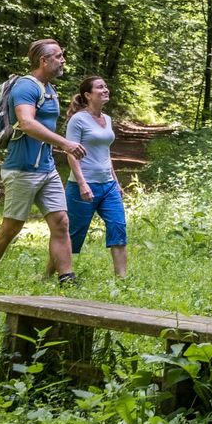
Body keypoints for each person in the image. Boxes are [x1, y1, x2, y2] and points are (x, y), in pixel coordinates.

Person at [0, 39, 87, 288]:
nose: (63, 60)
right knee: (12, 227)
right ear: (43, 61)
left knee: (61, 222)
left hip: (46, 168)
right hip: (22, 167)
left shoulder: (49, 89)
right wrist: (64, 144)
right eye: (58, 56)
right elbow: (26, 122)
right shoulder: (26, 87)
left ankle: (66, 279)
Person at [61, 75, 129, 277]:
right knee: (71, 233)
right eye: (100, 87)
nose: (106, 89)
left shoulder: (107, 119)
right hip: (82, 186)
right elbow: (71, 153)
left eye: (106, 86)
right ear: (88, 95)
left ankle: (122, 279)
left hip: (108, 185)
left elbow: (105, 153)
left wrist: (116, 182)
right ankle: (52, 272)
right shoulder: (78, 119)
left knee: (118, 227)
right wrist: (82, 184)